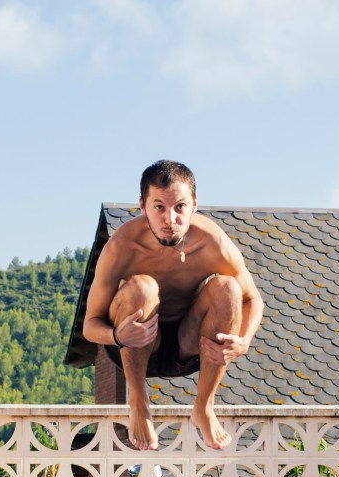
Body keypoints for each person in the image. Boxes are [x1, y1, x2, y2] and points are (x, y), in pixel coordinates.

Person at [82, 160, 265, 451]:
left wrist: (243, 340)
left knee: (228, 287)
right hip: (133, 345)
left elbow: (252, 299)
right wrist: (117, 336)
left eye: (179, 207)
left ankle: (204, 406)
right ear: (142, 206)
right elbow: (90, 326)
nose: (170, 219)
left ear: (194, 204)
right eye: (159, 208)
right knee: (143, 287)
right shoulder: (121, 247)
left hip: (189, 344)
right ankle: (138, 402)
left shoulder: (213, 243)